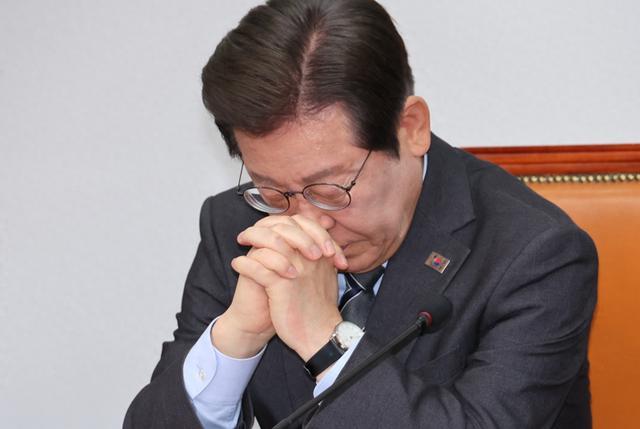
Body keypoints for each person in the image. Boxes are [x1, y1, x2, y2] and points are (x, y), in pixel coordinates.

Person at [124, 0, 598, 427]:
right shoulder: (241, 226)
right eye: (273, 189)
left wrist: (325, 341)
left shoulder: (537, 254)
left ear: (411, 129)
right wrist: (236, 338)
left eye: (330, 188)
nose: (307, 222)